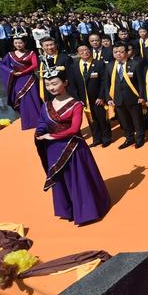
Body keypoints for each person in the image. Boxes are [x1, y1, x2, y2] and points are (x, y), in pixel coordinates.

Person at [34, 69, 111, 225]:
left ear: (65, 83)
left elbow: (75, 129)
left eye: (55, 83)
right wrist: (39, 133)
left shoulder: (76, 105)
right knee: (61, 179)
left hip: (73, 147)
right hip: (53, 149)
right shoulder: (47, 105)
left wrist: (53, 136)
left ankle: (86, 212)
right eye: (48, 84)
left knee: (78, 179)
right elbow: (42, 123)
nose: (51, 88)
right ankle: (68, 209)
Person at [102, 43, 146, 149]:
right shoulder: (110, 65)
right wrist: (108, 98)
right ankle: (129, 138)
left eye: (121, 52)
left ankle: (140, 138)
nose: (118, 54)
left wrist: (141, 96)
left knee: (137, 120)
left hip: (133, 98)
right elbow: (107, 84)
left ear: (127, 53)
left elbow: (141, 83)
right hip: (118, 99)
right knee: (124, 121)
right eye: (115, 52)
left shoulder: (135, 64)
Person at [0, 33, 43, 130]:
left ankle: (40, 120)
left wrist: (23, 72)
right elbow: (1, 64)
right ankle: (27, 121)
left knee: (34, 98)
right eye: (16, 43)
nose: (18, 45)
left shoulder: (31, 53)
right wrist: (11, 71)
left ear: (25, 43)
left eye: (20, 43)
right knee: (22, 100)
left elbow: (34, 65)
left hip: (29, 78)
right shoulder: (10, 54)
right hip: (17, 80)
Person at [76, 43, 112, 147]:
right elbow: (73, 85)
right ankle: (96, 138)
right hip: (84, 100)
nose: (85, 52)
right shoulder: (74, 66)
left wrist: (101, 97)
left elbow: (104, 81)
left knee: (102, 119)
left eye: (86, 50)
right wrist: (78, 99)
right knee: (92, 121)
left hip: (98, 98)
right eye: (81, 51)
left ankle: (106, 138)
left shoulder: (99, 63)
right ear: (78, 54)